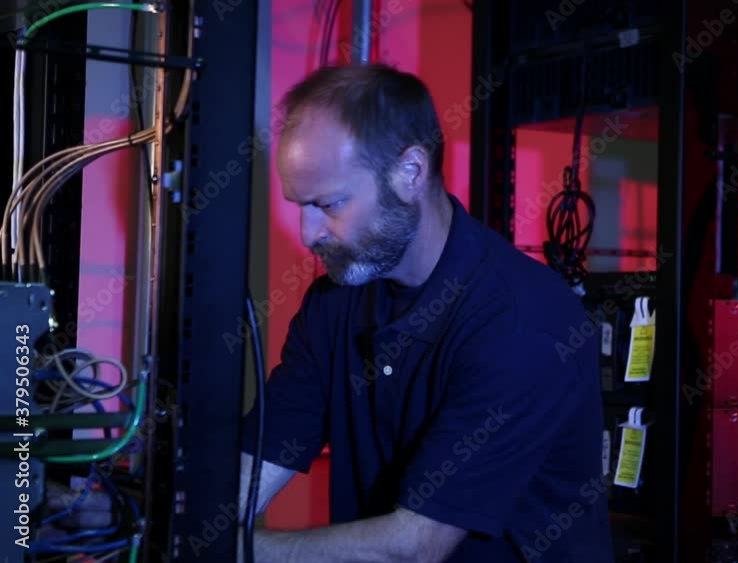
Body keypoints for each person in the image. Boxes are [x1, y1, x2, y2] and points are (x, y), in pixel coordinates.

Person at [237, 63, 613, 563]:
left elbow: (416, 547)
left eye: (328, 205)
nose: (308, 234)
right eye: (299, 206)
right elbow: (256, 468)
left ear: (410, 173)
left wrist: (234, 551)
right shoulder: (334, 303)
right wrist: (187, 526)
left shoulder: (522, 323)